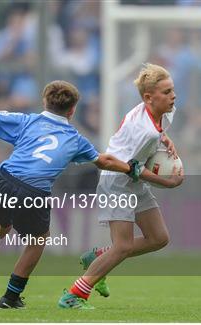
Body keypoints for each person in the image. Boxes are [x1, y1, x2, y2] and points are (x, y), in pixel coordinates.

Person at [0, 80, 142, 309]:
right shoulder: (75, 139)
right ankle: (11, 296)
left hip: (5, 178)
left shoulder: (27, 121)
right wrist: (130, 168)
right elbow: (104, 160)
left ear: (44, 101)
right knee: (38, 240)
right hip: (33, 189)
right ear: (73, 109)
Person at [58, 63, 184, 310]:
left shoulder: (160, 113)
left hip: (131, 179)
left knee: (159, 238)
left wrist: (166, 139)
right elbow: (130, 167)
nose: (173, 96)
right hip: (116, 180)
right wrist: (167, 183)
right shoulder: (143, 131)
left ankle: (99, 257)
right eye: (167, 92)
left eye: (172, 90)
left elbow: (156, 136)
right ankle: (74, 295)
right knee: (123, 246)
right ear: (149, 98)